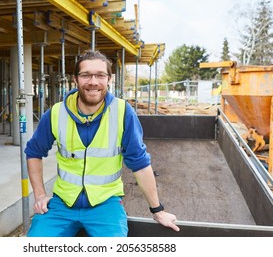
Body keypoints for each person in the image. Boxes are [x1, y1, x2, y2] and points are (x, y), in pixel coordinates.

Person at [24, 50, 180, 237]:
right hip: (61, 204)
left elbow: (139, 163)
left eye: (100, 75)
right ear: (75, 79)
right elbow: (34, 152)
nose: (93, 82)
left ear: (109, 79)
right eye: (85, 75)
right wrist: (40, 195)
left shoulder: (123, 112)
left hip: (105, 205)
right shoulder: (56, 113)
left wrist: (157, 210)